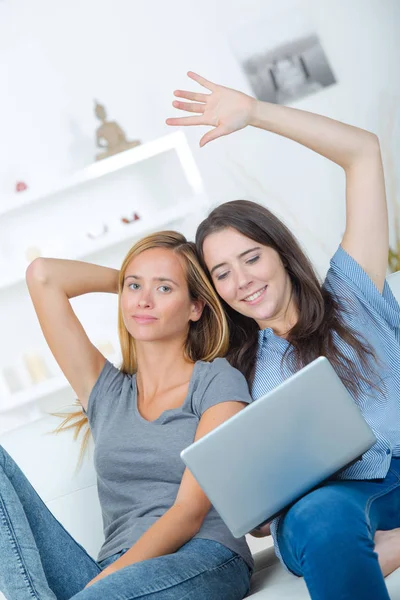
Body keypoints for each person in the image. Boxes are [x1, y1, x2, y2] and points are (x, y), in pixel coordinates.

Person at [166, 72, 400, 600]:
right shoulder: (239, 370)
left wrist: (255, 112)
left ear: (280, 253)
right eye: (222, 273)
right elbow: (254, 515)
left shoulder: (352, 292)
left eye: (251, 257)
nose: (243, 279)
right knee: (320, 519)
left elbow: (363, 152)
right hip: (330, 505)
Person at [0, 231, 254, 600]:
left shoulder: (216, 381)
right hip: (111, 572)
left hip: (202, 555)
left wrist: (106, 583)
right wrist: (127, 281)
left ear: (195, 307)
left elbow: (188, 512)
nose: (144, 301)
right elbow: (42, 275)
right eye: (135, 287)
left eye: (165, 289)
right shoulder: (105, 392)